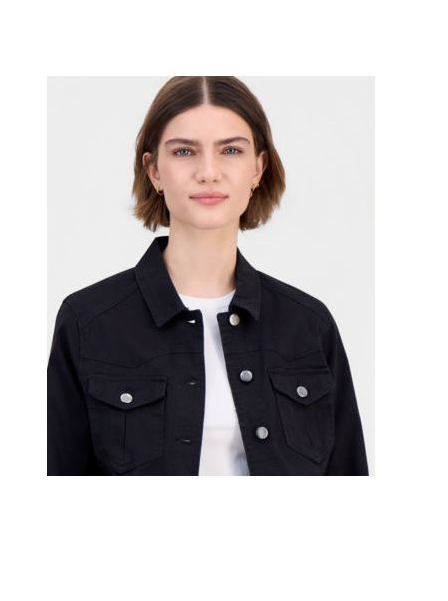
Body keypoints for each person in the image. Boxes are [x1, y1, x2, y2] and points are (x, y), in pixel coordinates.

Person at [47, 76, 369, 476]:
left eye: (231, 150)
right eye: (184, 151)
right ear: (154, 170)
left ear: (258, 168)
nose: (208, 172)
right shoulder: (88, 322)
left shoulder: (309, 326)